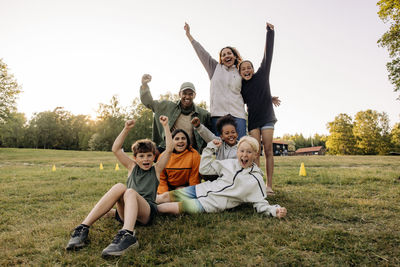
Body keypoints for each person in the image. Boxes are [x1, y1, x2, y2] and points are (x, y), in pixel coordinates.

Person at [65, 115, 173, 257]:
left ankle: (127, 234)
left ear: (154, 157)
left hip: (146, 212)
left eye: (149, 156)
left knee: (129, 192)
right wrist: (126, 128)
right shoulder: (131, 167)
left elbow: (170, 149)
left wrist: (165, 126)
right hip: (126, 211)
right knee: (119, 186)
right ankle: (83, 228)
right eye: (141, 156)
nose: (145, 159)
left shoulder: (156, 169)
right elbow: (116, 149)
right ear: (135, 158)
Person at [156, 136, 287, 219]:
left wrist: (275, 210)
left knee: (166, 208)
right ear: (237, 152)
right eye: (242, 151)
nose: (244, 155)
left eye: (249, 152)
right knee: (164, 197)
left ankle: (144, 212)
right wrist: (210, 148)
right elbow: (204, 169)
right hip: (200, 189)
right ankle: (141, 203)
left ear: (255, 155)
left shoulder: (256, 179)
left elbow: (261, 204)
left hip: (208, 204)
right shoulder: (229, 163)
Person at [184, 22, 247, 139]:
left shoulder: (240, 71)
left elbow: (252, 87)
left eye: (229, 53)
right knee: (220, 147)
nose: (227, 56)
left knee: (241, 146)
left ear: (234, 56)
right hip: (218, 115)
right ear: (221, 59)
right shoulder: (214, 68)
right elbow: (201, 52)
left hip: (238, 114)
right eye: (224, 55)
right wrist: (189, 35)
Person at [239, 22, 280, 195]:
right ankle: (258, 183)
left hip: (267, 117)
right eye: (243, 69)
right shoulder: (241, 86)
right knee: (255, 152)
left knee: (268, 150)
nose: (247, 70)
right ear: (240, 73)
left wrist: (270, 33)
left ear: (253, 69)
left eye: (249, 68)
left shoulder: (262, 74)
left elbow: (267, 54)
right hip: (254, 120)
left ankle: (269, 185)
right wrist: (269, 97)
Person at [140, 74, 211, 155]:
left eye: (190, 94)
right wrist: (144, 85)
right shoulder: (167, 106)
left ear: (194, 95)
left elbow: (210, 133)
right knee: (152, 153)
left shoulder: (203, 114)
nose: (187, 96)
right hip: (168, 148)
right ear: (179, 94)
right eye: (184, 93)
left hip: (190, 150)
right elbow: (149, 103)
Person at [156, 129, 201, 194]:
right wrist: (163, 193)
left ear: (187, 141)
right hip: (168, 188)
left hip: (186, 187)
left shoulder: (194, 155)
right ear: (171, 141)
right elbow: (161, 178)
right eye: (177, 139)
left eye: (183, 138)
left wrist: (193, 193)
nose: (180, 141)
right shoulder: (163, 156)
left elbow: (194, 178)